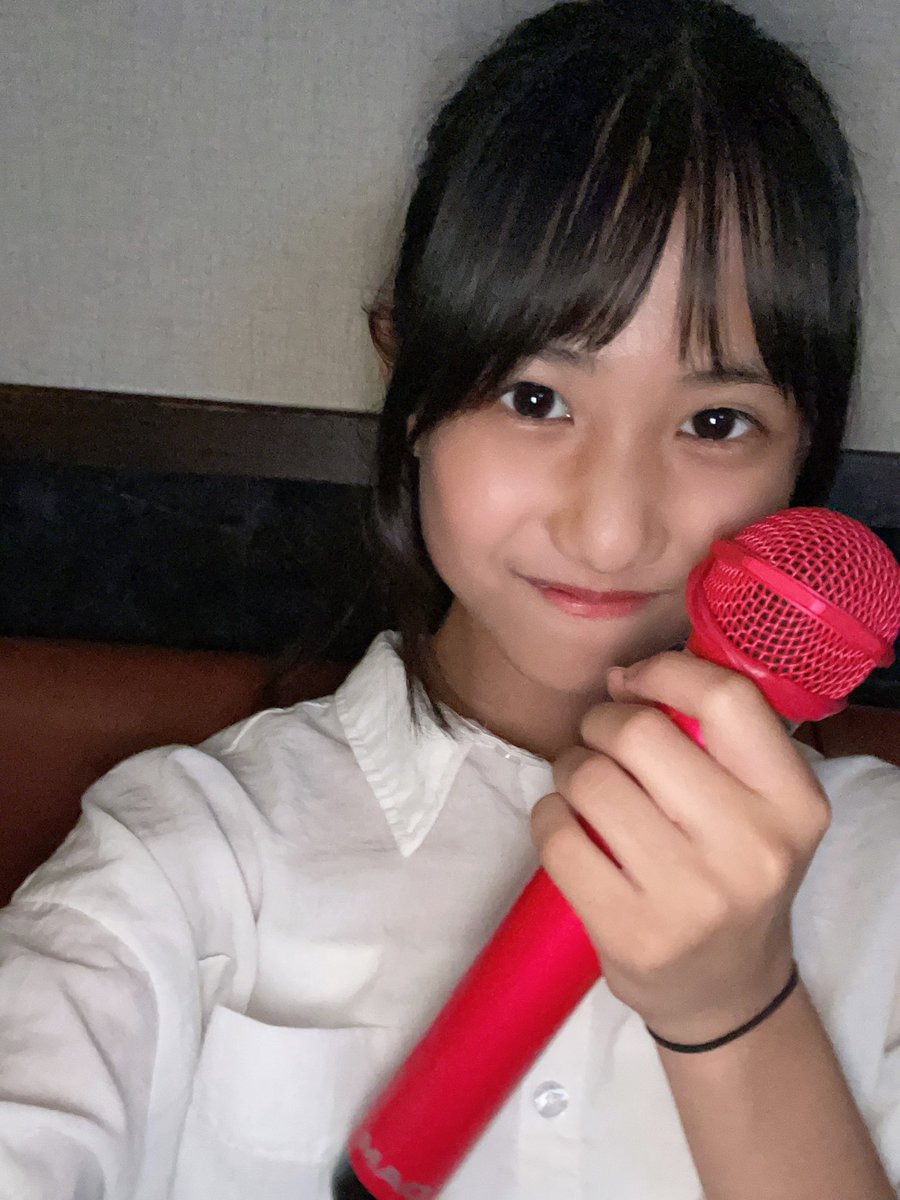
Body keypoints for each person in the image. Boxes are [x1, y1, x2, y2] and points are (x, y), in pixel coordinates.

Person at [1, 1, 897, 1197]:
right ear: (411, 383)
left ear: (804, 456)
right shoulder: (186, 852)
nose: (611, 529)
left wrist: (738, 1013)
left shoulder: (884, 877)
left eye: (717, 421)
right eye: (535, 399)